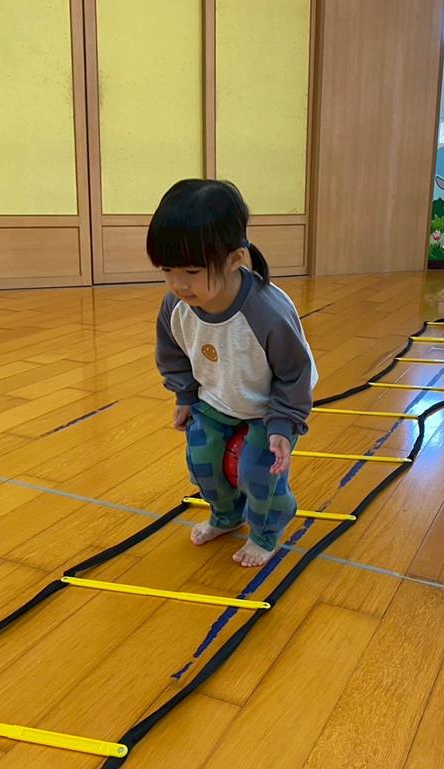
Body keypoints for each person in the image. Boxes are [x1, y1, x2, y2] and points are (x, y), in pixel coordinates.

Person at [148, 179, 318, 568]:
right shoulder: (176, 305)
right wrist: (184, 396)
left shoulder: (267, 313)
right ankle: (225, 515)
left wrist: (282, 424)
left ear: (235, 259)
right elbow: (172, 352)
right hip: (216, 399)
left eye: (192, 270)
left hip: (271, 407)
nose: (177, 283)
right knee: (202, 460)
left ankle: (266, 532)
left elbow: (295, 374)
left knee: (258, 473)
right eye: (167, 270)